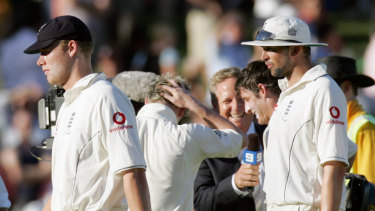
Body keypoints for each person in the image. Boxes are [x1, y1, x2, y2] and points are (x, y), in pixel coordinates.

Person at [23, 15, 151, 211]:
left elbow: (133, 175)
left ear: (72, 48)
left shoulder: (106, 96)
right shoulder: (66, 106)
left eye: (46, 51)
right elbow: (61, 194)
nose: (40, 61)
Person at [241, 16, 349, 210]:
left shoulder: (323, 89)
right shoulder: (287, 93)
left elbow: (334, 165)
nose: (263, 56)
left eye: (271, 48)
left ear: (295, 50)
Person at [135, 73, 251, 210]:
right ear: (182, 111)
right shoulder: (188, 135)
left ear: (147, 100)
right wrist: (194, 104)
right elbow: (240, 139)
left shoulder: (121, 129)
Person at [194, 67, 261, 211]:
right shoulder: (205, 147)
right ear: (215, 105)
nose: (236, 108)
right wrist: (234, 184)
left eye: (241, 99)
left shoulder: (270, 133)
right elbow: (200, 202)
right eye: (227, 101)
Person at [319, 55, 375, 184]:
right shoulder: (335, 124)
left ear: (346, 87)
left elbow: (370, 185)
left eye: (326, 89)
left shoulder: (364, 127)